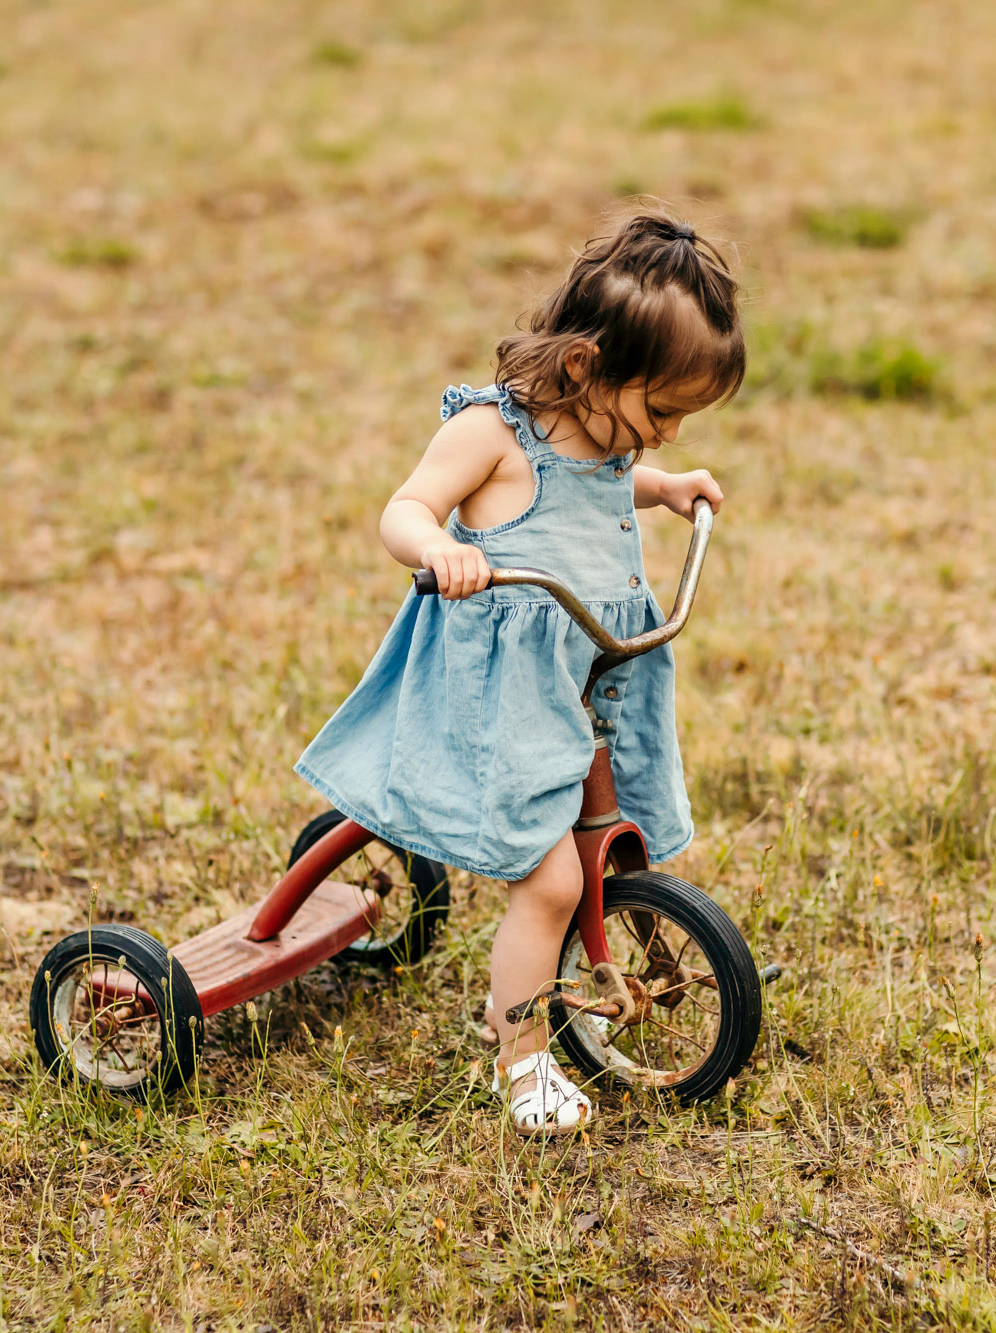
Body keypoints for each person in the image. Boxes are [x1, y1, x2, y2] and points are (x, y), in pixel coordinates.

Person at [295, 211, 744, 1136]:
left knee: (609, 832)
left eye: (678, 423)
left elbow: (607, 483)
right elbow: (405, 508)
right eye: (659, 412)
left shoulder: (610, 435)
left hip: (585, 677)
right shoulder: (490, 433)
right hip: (501, 696)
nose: (656, 436)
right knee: (547, 883)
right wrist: (438, 549)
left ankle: (637, 943)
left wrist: (667, 487)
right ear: (583, 366)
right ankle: (523, 1060)